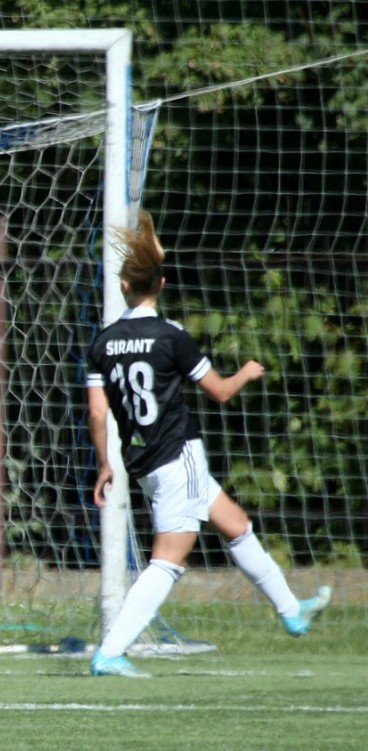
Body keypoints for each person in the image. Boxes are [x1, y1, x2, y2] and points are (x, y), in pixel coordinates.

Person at [85, 210, 331, 678]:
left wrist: (104, 464)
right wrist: (247, 373)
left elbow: (97, 414)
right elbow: (218, 391)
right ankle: (111, 652)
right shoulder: (170, 336)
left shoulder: (103, 343)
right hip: (179, 455)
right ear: (162, 283)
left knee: (235, 524)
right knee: (168, 560)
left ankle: (291, 612)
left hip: (143, 461)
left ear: (124, 285)